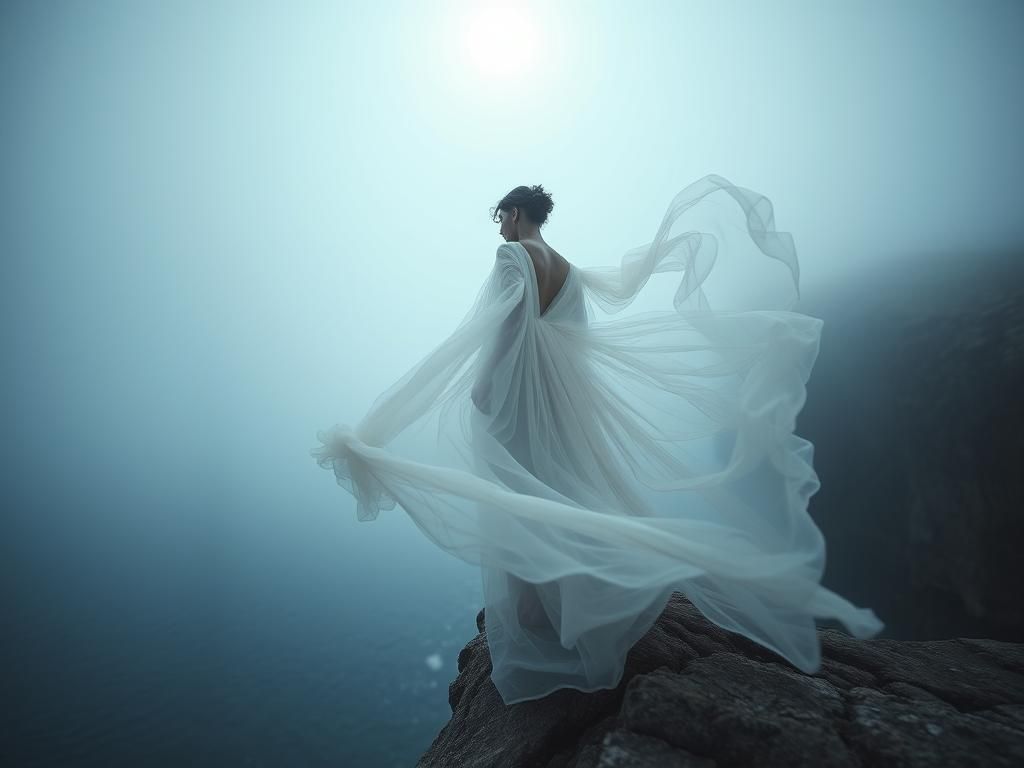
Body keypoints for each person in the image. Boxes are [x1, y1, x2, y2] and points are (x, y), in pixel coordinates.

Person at [311, 174, 884, 705]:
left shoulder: (514, 254)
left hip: (522, 397)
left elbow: (504, 324)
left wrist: (485, 387)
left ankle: (537, 619)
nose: (501, 228)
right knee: (555, 489)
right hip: (560, 398)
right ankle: (572, 606)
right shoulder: (568, 268)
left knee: (519, 497)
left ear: (514, 214)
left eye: (501, 218)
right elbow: (574, 336)